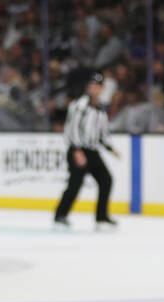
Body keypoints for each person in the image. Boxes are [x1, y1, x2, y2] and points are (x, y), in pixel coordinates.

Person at [53, 72, 118, 231]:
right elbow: (71, 128)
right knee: (75, 183)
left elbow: (102, 133)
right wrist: (76, 149)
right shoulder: (79, 106)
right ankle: (60, 215)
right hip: (78, 150)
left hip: (92, 151)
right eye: (92, 86)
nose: (94, 89)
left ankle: (101, 217)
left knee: (106, 180)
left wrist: (111, 148)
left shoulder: (101, 110)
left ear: (101, 89)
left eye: (97, 86)